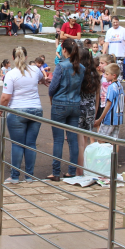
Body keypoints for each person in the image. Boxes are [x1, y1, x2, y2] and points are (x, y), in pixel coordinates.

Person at [1, 46, 47, 184]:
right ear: (26, 57)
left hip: (17, 111)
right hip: (35, 109)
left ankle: (15, 176)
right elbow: (41, 79)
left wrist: (1, 108)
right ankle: (29, 175)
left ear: (13, 57)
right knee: (31, 144)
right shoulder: (34, 70)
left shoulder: (11, 74)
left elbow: (5, 96)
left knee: (17, 144)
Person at [46, 39, 84, 181]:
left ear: (64, 50)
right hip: (75, 103)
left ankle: (56, 172)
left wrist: (52, 97)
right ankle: (71, 171)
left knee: (58, 140)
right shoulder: (81, 67)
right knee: (73, 139)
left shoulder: (61, 66)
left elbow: (52, 88)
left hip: (60, 103)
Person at [95, 63, 124, 139]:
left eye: (107, 74)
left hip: (110, 118)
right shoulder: (119, 85)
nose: (105, 76)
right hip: (118, 117)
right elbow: (124, 99)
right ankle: (114, 151)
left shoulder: (111, 87)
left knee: (101, 139)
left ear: (114, 75)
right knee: (114, 139)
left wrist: (100, 119)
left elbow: (108, 104)